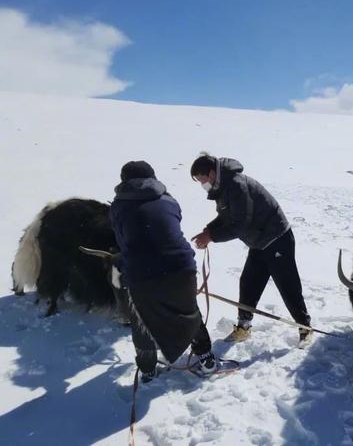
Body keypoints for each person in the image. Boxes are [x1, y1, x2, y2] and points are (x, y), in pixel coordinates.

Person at [110, 161, 216, 382]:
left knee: (143, 320)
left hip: (143, 275)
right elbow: (169, 229)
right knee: (188, 311)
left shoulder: (119, 207)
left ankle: (148, 370)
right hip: (181, 267)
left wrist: (121, 262)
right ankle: (206, 358)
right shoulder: (168, 199)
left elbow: (123, 243)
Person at [189, 153, 312, 345]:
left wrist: (211, 237)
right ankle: (244, 328)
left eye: (201, 180)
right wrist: (210, 229)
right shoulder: (222, 188)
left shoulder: (236, 185)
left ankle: (305, 327)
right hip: (259, 241)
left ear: (211, 174)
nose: (201, 185)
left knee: (287, 285)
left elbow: (240, 224)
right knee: (249, 283)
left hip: (277, 238)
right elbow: (228, 216)